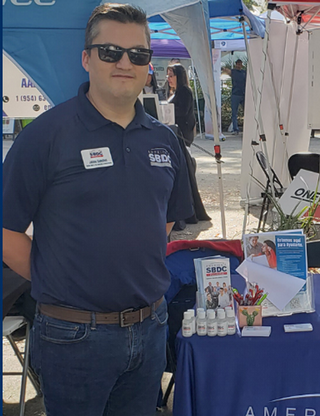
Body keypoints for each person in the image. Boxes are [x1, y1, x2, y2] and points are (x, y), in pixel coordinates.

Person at [1, 4, 193, 414]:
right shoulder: (46, 137)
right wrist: (57, 280)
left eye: (138, 54)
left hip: (150, 327)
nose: (125, 62)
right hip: (72, 337)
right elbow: (6, 230)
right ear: (87, 58)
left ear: (148, 65)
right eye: (110, 51)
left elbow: (167, 219)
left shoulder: (164, 140)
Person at [165, 63, 211, 227]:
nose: (168, 79)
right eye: (168, 75)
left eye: (171, 75)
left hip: (183, 133)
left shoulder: (184, 91)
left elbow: (183, 112)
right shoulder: (172, 92)